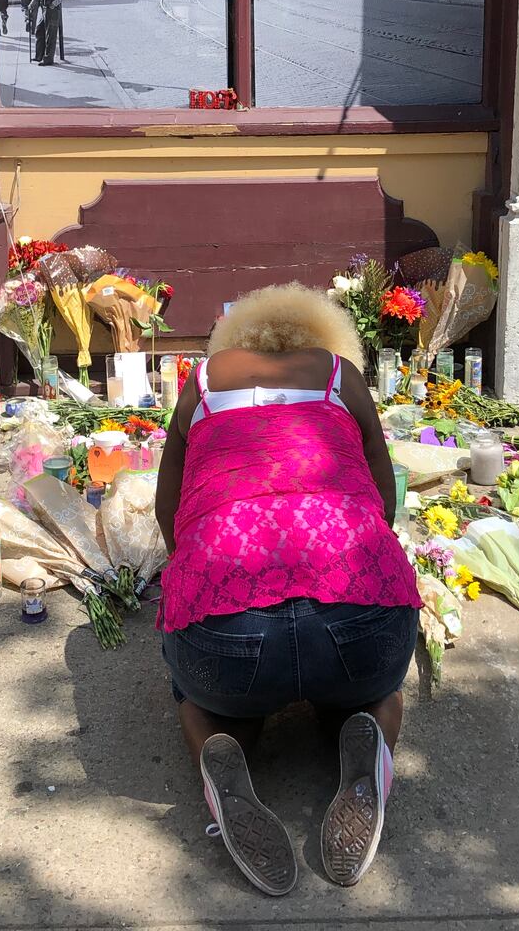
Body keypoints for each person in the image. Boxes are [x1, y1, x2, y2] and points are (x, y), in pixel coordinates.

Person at [154, 284, 419, 895]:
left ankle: (223, 752)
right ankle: (366, 750)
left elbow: (170, 497)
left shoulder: (203, 381)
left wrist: (190, 576)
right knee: (374, 689)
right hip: (359, 625)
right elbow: (382, 500)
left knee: (208, 696)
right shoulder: (340, 377)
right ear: (324, 334)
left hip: (229, 639)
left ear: (238, 338)